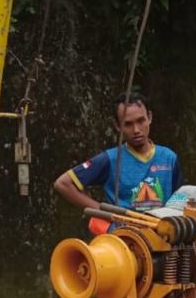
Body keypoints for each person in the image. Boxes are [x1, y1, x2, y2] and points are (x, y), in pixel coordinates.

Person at [53, 90, 182, 214]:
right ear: (117, 126)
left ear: (149, 117)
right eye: (128, 124)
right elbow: (63, 184)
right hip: (123, 234)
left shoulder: (169, 158)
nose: (136, 130)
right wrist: (102, 212)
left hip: (161, 233)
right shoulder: (110, 159)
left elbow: (179, 202)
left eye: (140, 121)